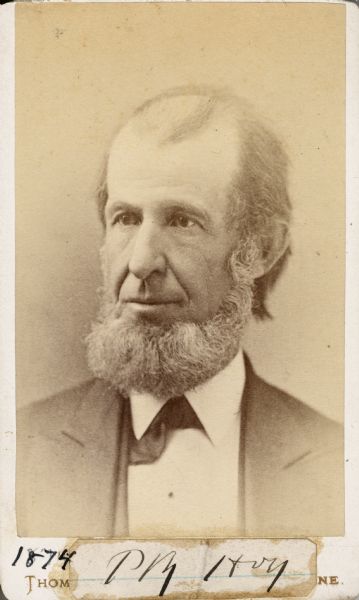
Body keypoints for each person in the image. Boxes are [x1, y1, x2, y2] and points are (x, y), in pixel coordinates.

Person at [17, 86, 343, 538]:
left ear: (262, 248)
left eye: (182, 221)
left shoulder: (340, 462)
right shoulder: (18, 447)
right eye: (126, 218)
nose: (140, 261)